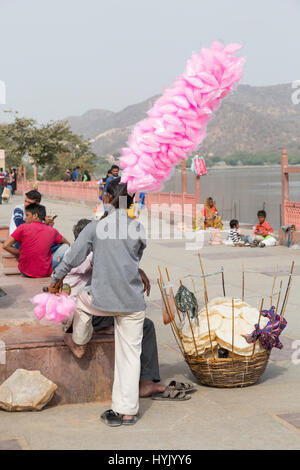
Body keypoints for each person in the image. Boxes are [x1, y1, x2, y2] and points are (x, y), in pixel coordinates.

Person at [50, 180, 151, 426]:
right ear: (131, 200)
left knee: (81, 301)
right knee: (130, 355)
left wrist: (56, 278)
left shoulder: (96, 227)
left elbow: (72, 258)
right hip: (132, 302)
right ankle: (127, 412)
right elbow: (134, 258)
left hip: (102, 299)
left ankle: (81, 340)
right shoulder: (137, 228)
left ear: (106, 196)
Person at [63, 217, 170, 400]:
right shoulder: (88, 256)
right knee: (144, 325)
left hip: (83, 311)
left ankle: (144, 380)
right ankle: (144, 382)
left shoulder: (73, 254)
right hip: (85, 312)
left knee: (136, 321)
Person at [3, 203, 70, 278]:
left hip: (24, 271)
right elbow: (66, 242)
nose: (25, 218)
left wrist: (21, 253)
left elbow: (6, 245)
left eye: (27, 215)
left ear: (35, 216)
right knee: (65, 247)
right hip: (44, 273)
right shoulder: (52, 231)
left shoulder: (22, 227)